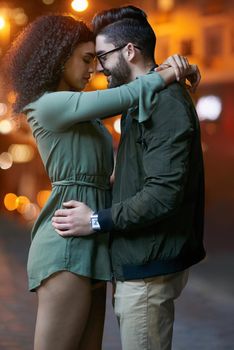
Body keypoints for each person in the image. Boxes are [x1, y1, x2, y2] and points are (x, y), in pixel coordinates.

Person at [3, 13, 197, 350]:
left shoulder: (81, 111)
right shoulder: (45, 105)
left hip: (93, 236)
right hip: (66, 239)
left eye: (97, 59)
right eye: (86, 59)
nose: (93, 69)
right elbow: (126, 95)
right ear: (59, 57)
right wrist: (169, 70)